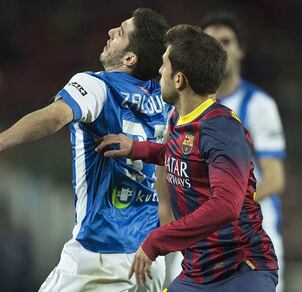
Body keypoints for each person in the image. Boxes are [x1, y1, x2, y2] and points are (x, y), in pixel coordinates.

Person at [0, 8, 171, 291]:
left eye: (120, 32)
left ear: (130, 58)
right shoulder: (165, 102)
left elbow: (56, 116)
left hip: (100, 254)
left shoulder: (97, 85)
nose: (110, 33)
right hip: (150, 260)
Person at [96, 24, 279, 291]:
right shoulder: (180, 118)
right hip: (198, 272)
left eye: (164, 65)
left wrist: (156, 241)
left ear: (179, 80)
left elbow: (226, 206)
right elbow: (183, 157)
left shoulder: (222, 128)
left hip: (240, 269)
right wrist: (136, 148)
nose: (159, 72)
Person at [166, 13, 287, 291]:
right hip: (199, 237)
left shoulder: (258, 105)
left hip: (249, 239)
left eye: (226, 41)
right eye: (212, 42)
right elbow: (167, 160)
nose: (219, 47)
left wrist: (224, 205)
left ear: (240, 50)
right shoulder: (180, 105)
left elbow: (276, 178)